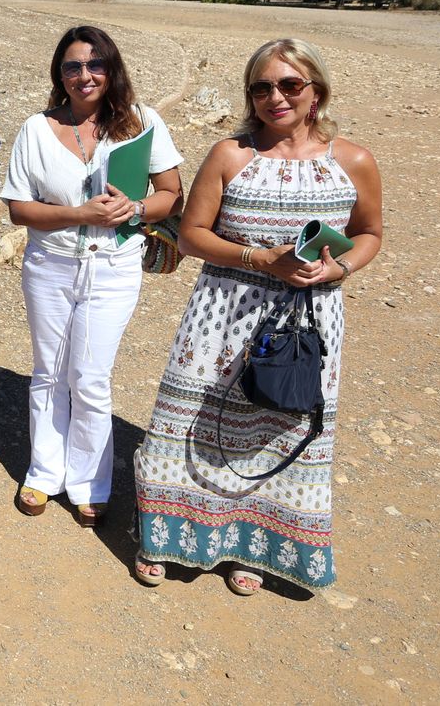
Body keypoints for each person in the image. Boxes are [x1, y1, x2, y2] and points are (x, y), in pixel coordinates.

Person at [133, 38, 383, 596]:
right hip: (223, 312)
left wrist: (338, 270)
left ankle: (253, 545)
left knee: (279, 422)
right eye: (262, 87)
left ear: (315, 90)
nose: (276, 97)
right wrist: (261, 258)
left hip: (309, 318)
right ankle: (171, 536)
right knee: (198, 419)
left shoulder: (354, 161)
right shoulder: (231, 154)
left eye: (290, 84)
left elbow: (369, 234)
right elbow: (193, 236)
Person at [1, 26, 184, 526]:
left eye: (94, 64)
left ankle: (89, 482)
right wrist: (80, 214)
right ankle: (43, 472)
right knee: (48, 371)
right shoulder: (35, 130)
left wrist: (138, 206)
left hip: (114, 267)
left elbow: (171, 192)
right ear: (59, 74)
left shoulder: (143, 122)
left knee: (91, 377)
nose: (85, 75)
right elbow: (19, 210)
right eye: (72, 67)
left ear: (111, 68)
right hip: (50, 265)